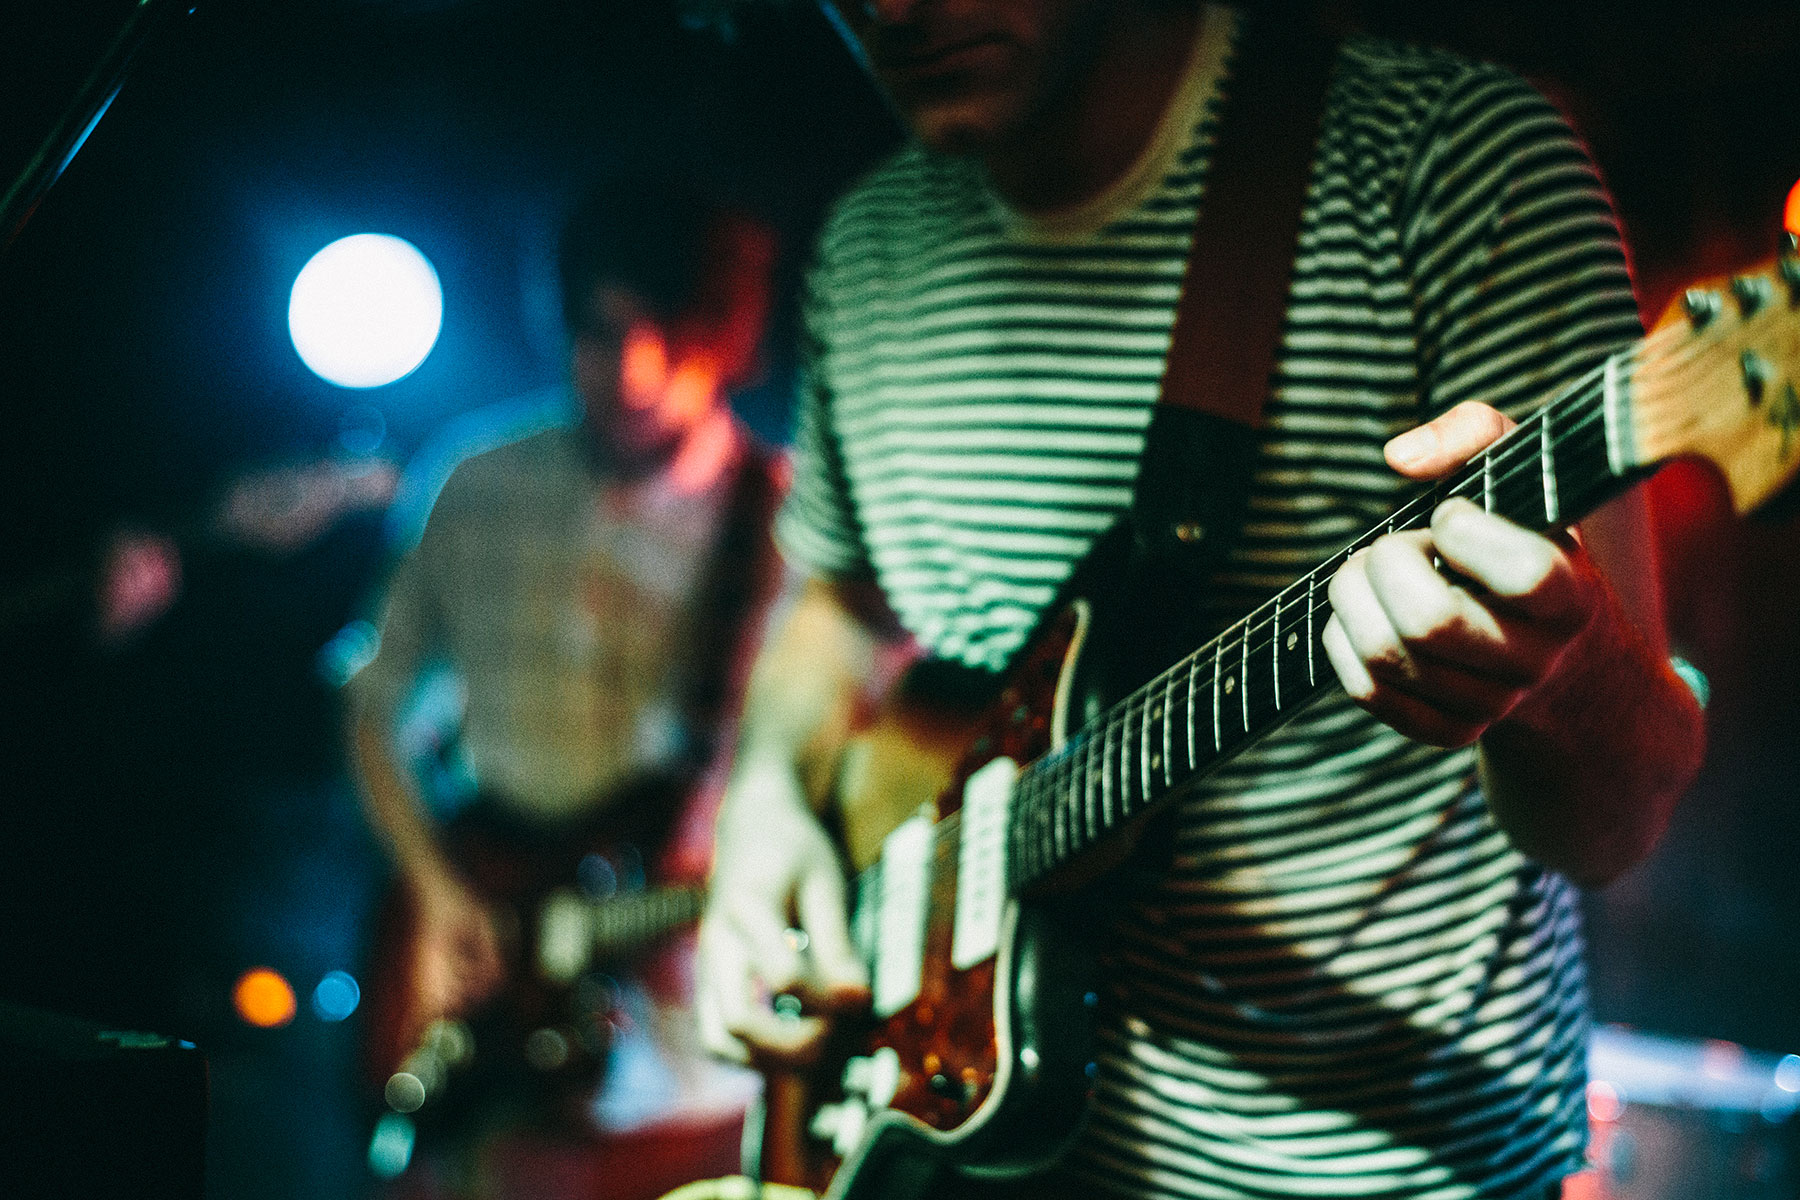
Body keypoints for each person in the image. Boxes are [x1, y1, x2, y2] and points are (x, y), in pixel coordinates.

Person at [696, 3, 1707, 1199]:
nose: (895, 10)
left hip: (1374, 1167)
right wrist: (760, 799)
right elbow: (837, 606)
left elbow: (1618, 819)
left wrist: (1564, 669)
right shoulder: (866, 244)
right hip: (958, 1150)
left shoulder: (1448, 159)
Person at [347, 175, 783, 1195]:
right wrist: (438, 890)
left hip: (689, 1060)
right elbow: (373, 701)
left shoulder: (793, 525)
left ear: (722, 338)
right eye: (599, 330)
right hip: (488, 1015)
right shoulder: (473, 479)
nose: (629, 370)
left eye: (665, 334)